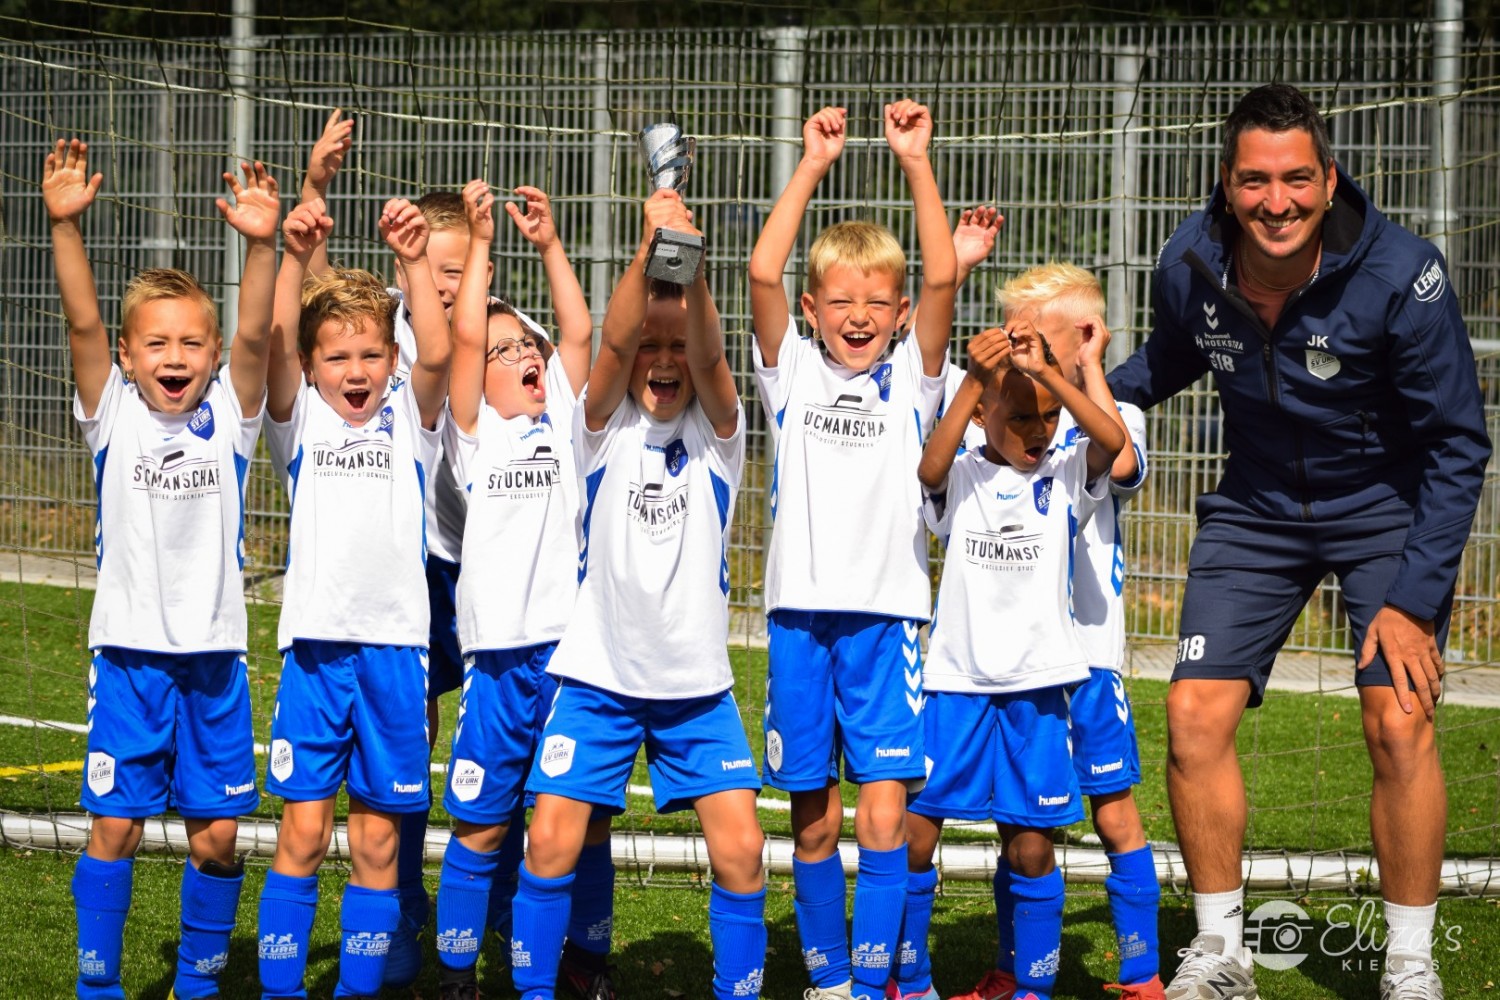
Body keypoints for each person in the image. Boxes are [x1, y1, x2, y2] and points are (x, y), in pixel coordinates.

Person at [1107, 83, 1491, 1000]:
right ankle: (1220, 954)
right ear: (1226, 183)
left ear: (1327, 179)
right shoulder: (1190, 262)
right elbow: (1172, 356)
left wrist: (1411, 603)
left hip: (1383, 509)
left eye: (1294, 180)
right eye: (1254, 181)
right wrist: (1080, 393)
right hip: (1256, 508)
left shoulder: (1402, 273)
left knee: (1398, 717)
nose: (1275, 202)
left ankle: (1409, 963)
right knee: (1193, 715)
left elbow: (1457, 443)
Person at [508, 189, 767, 1000]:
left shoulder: (718, 440)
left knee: (743, 851)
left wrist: (690, 264)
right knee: (550, 841)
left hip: (695, 688)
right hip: (599, 678)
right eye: (650, 347)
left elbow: (714, 359)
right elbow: (615, 340)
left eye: (676, 345)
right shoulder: (600, 428)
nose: (663, 359)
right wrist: (651, 248)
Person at [46, 137, 280, 1000]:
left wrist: (263, 245)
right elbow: (82, 323)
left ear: (212, 356)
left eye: (190, 343)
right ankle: (98, 987)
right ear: (128, 356)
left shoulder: (232, 419)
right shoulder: (112, 417)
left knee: (217, 838)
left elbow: (256, 331)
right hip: (131, 661)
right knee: (115, 829)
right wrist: (65, 227)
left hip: (215, 663)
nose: (174, 357)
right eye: (156, 343)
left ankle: (199, 983)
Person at [746, 101, 957, 1000]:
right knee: (814, 822)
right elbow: (761, 269)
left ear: (900, 314)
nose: (859, 316)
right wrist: (810, 165)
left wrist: (916, 163)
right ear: (811, 310)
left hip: (886, 622)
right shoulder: (790, 372)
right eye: (841, 301)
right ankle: (829, 980)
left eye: (877, 303)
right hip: (799, 622)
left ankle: (874, 986)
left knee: (883, 816)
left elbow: (944, 277)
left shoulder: (913, 377)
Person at [922, 265, 1163, 1000]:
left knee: (1113, 812)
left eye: (1035, 331)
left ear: (1081, 337)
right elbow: (941, 457)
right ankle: (1014, 968)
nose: (1018, 339)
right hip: (1007, 664)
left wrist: (1077, 371)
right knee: (1021, 826)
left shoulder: (1107, 413)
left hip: (1086, 655)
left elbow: (1118, 455)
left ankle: (1141, 972)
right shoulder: (989, 425)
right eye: (1012, 328)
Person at [254, 196, 450, 999]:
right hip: (316, 657)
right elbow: (272, 343)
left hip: (396, 656)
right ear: (310, 366)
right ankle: (279, 990)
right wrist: (292, 257)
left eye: (371, 354)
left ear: (392, 359)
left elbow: (438, 353)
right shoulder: (299, 422)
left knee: (377, 845)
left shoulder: (412, 420)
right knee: (302, 834)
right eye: (337, 357)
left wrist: (413, 262)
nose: (357, 371)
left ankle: (359, 990)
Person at [431, 179, 611, 1000]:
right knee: (481, 824)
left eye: (525, 346)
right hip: (499, 663)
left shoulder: (565, 420)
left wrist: (548, 246)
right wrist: (479, 245)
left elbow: (577, 330)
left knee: (580, 824)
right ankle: (457, 972)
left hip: (571, 662)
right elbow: (465, 337)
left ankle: (582, 964)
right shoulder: (474, 436)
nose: (523, 355)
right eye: (503, 352)